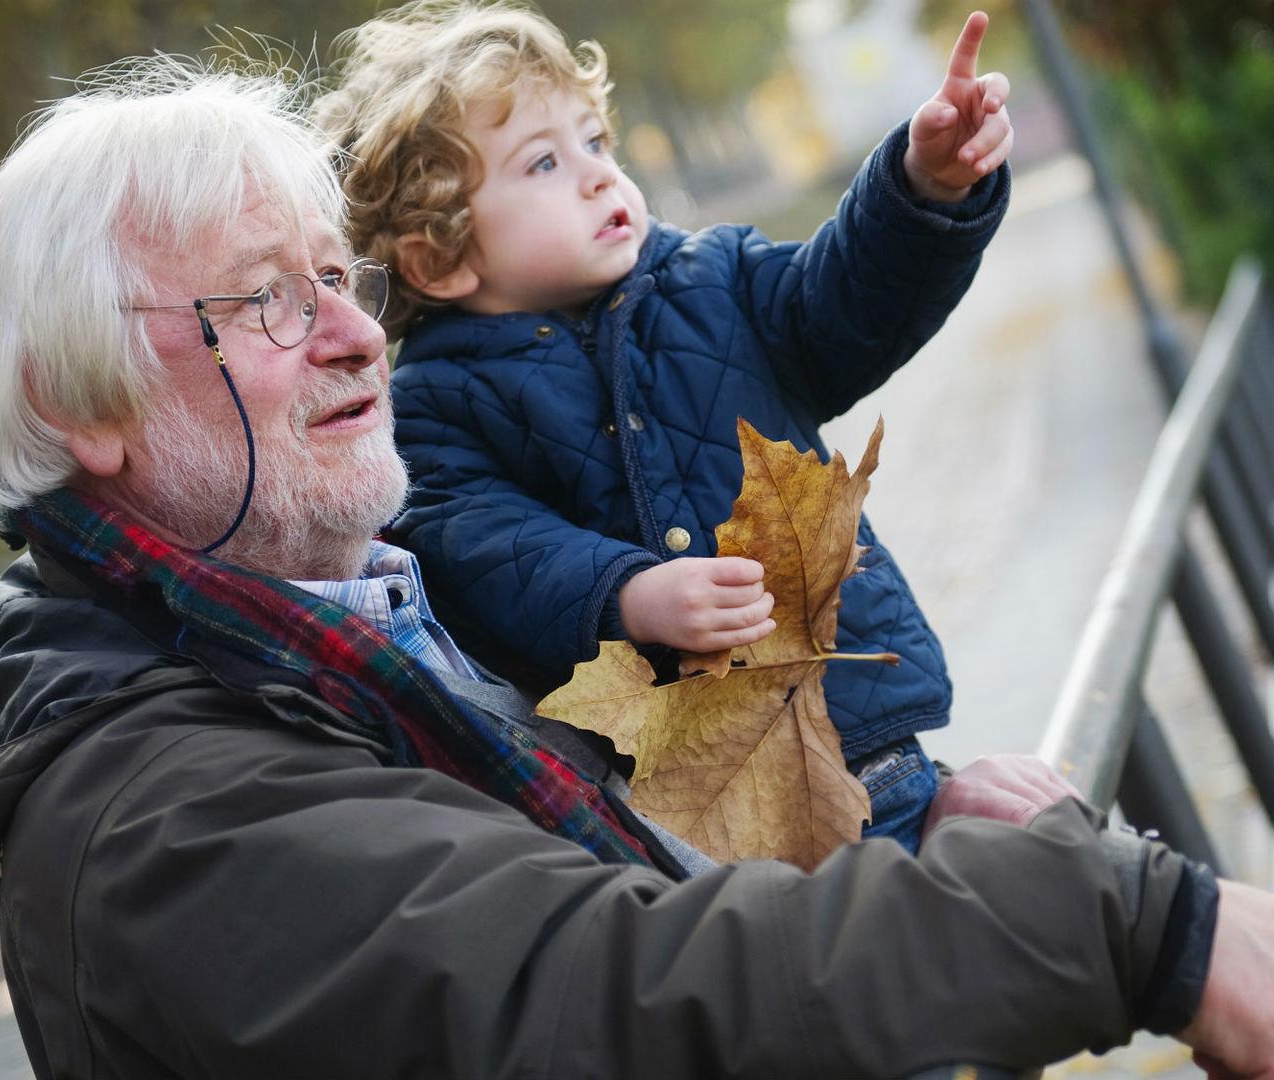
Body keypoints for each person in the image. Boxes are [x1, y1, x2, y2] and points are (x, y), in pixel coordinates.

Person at [0, 54, 1274, 1080]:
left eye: (331, 277)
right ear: (76, 405)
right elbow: (612, 987)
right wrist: (1126, 920)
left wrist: (876, 813)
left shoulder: (337, 639)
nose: (357, 330)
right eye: (263, 301)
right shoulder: (164, 825)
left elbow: (631, 827)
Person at [314, 2, 1023, 852]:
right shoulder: (435, 404)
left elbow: (845, 301)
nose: (597, 175)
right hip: (692, 816)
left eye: (596, 142)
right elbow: (478, 546)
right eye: (543, 162)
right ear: (442, 256)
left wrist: (923, 189)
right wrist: (624, 592)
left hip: (858, 740)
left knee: (987, 920)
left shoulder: (713, 280)